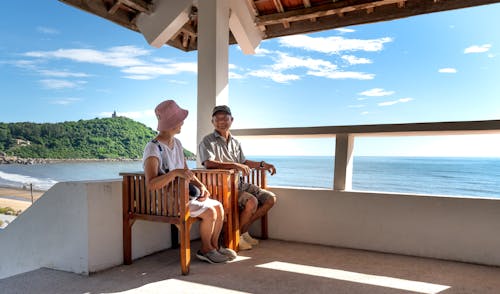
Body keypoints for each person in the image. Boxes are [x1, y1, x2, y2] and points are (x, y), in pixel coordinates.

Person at [143, 100, 237, 263]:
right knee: (210, 212)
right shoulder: (153, 148)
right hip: (167, 202)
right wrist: (174, 173)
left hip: (183, 196)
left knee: (218, 206)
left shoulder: (177, 144)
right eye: (180, 120)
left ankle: (214, 247)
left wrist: (201, 186)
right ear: (172, 123)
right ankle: (206, 250)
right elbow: (151, 184)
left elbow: (187, 171)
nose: (183, 123)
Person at [198, 105, 277, 250]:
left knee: (270, 198)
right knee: (251, 202)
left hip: (239, 184)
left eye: (225, 118)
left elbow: (244, 162)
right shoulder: (207, 141)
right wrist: (235, 165)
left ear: (231, 120)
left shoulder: (235, 142)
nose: (221, 121)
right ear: (212, 121)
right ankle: (236, 237)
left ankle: (240, 232)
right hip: (221, 187)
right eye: (218, 119)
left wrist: (262, 164)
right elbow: (208, 163)